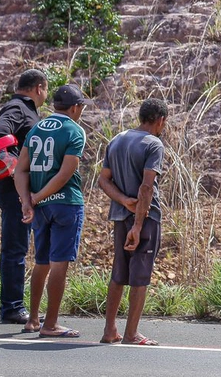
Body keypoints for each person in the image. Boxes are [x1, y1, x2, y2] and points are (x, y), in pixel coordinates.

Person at [15, 84, 90, 338]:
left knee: (42, 262)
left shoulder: (36, 128)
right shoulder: (74, 130)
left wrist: (27, 200)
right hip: (65, 204)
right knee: (59, 264)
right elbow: (65, 173)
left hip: (41, 207)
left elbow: (20, 169)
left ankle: (33, 319)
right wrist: (37, 196)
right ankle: (51, 324)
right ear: (76, 107)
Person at [98, 98, 168, 346]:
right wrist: (138, 224)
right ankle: (131, 334)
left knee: (118, 273)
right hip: (145, 219)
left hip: (119, 215)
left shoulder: (117, 139)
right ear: (160, 121)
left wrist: (123, 200)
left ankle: (109, 331)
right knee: (140, 275)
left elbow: (103, 180)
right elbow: (147, 186)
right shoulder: (153, 144)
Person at [0, 69, 47, 326]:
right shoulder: (19, 108)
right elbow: (0, 130)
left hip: (19, 191)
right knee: (15, 249)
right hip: (14, 192)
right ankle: (12, 308)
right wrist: (15, 168)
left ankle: (13, 305)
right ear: (39, 87)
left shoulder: (24, 109)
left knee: (18, 248)